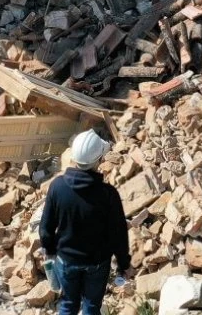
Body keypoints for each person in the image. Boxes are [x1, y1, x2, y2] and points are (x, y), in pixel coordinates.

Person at [39, 130, 133, 315]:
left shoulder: (57, 187)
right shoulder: (108, 194)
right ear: (98, 160)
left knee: (68, 304)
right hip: (97, 262)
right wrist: (124, 264)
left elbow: (46, 227)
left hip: (66, 260)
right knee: (91, 306)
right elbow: (118, 234)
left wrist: (49, 250)